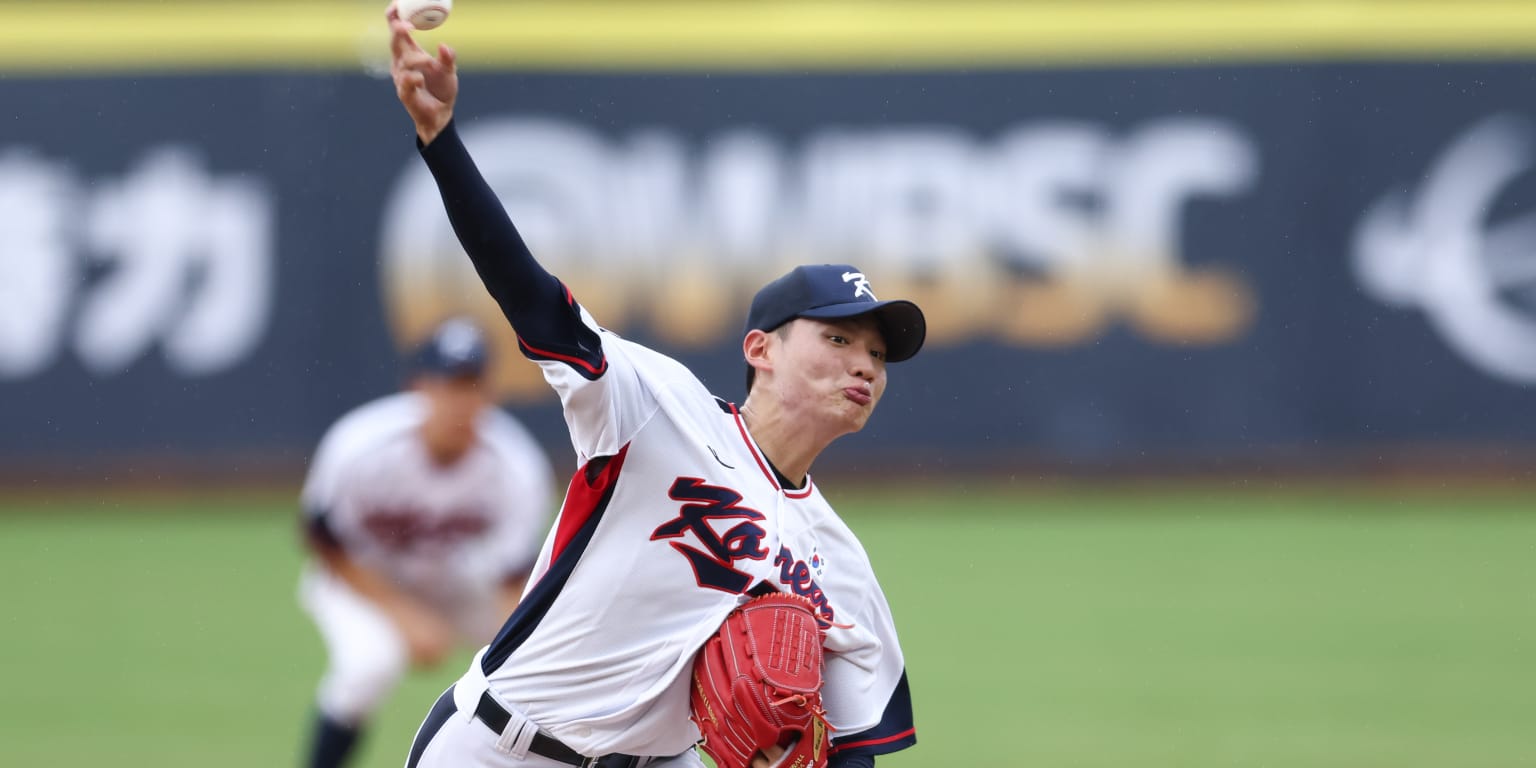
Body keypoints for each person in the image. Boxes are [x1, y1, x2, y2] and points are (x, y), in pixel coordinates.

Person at [386, 4, 923, 766]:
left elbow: (856, 742)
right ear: (759, 349)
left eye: (878, 353)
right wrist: (442, 144)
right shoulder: (656, 407)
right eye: (837, 339)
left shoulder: (840, 564)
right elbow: (532, 297)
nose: (864, 364)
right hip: (502, 746)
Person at [298, 316, 554, 768]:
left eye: (472, 385)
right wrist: (403, 614)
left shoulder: (515, 464)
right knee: (369, 666)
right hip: (361, 581)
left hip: (454, 585)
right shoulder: (361, 444)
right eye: (449, 385)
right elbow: (323, 540)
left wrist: (520, 654)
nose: (461, 401)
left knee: (538, 670)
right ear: (418, 388)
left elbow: (513, 581)